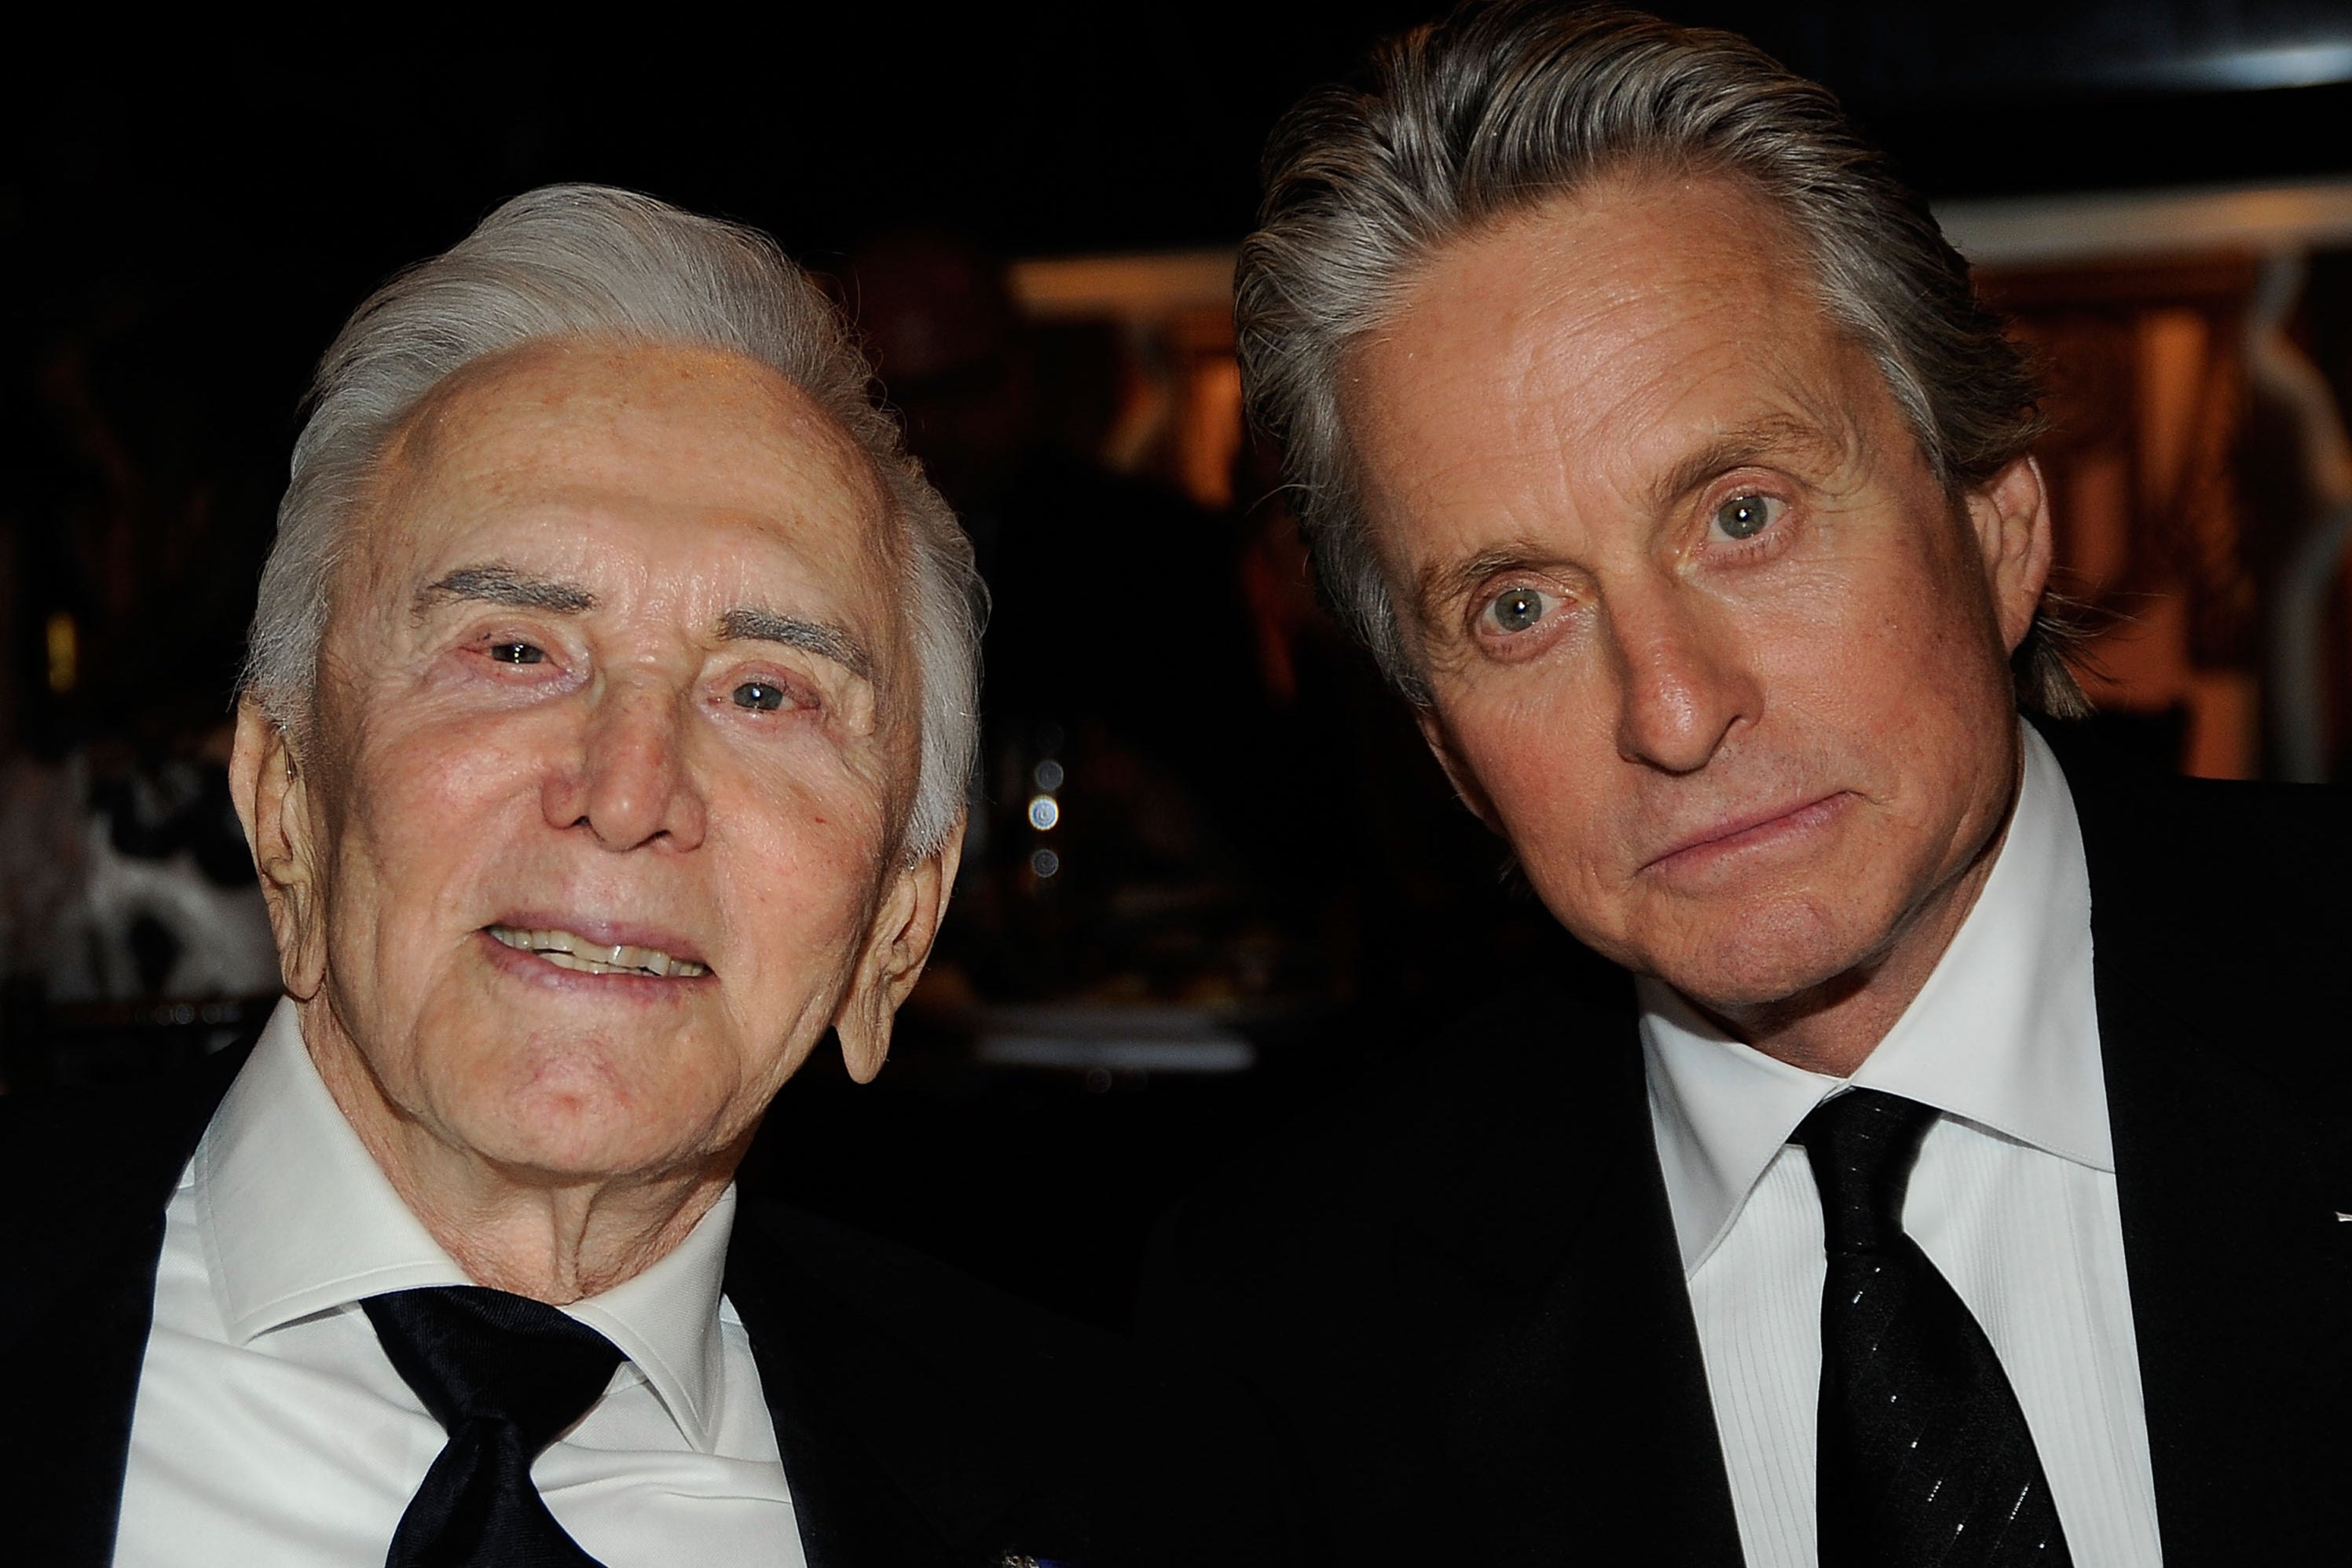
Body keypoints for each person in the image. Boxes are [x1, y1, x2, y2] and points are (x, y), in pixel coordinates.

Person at [1141, 7, 2350, 1566]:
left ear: (1998, 524)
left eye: (1742, 515)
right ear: (1448, 753)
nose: (1672, 709)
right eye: (1518, 607)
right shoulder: (1290, 1334)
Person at [0, 185, 1270, 1568]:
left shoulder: (1133, 1488)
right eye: (514, 651)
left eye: (764, 692)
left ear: (898, 926)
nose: (626, 794)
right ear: (285, 802)